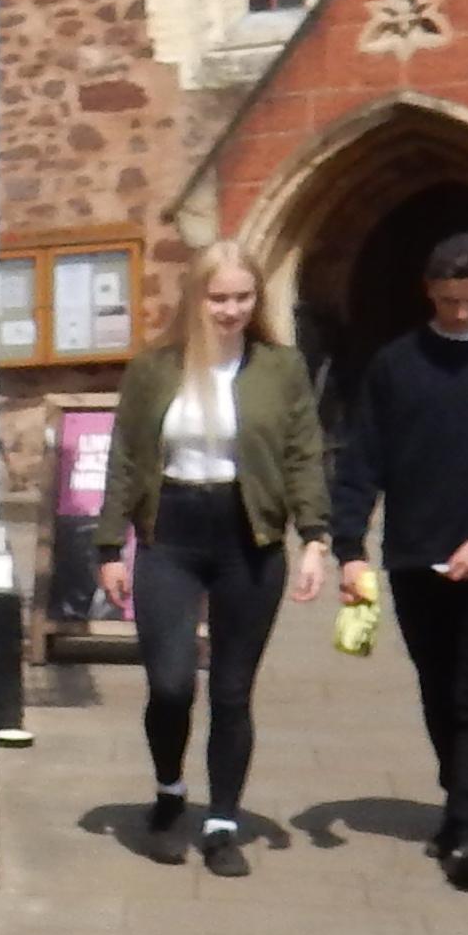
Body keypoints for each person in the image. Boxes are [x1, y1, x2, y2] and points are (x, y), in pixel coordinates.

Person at [95, 243, 332, 874]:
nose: (230, 310)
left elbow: (303, 454)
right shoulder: (155, 369)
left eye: (242, 297)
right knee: (171, 683)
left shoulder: (280, 368)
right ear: (195, 298)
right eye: (218, 297)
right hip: (170, 532)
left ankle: (223, 821)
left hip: (248, 536)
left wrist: (315, 537)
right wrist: (108, 546)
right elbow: (126, 457)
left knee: (231, 690)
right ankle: (169, 791)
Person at [333, 230, 468, 889]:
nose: (460, 312)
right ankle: (460, 800)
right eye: (449, 299)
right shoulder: (396, 363)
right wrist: (349, 547)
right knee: (437, 687)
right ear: (429, 290)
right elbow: (363, 457)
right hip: (415, 552)